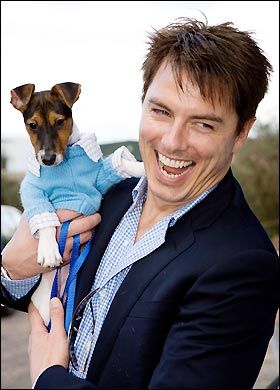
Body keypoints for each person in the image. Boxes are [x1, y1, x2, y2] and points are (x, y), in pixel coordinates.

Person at [1, 17, 279, 389]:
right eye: (161, 111)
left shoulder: (244, 267)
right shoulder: (111, 194)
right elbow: (38, 283)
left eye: (204, 124)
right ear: (143, 102)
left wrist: (50, 378)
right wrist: (12, 269)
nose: (172, 142)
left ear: (241, 132)